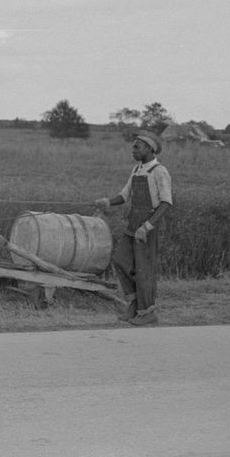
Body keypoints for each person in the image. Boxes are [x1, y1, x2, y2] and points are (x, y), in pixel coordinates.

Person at [95, 130, 173, 326]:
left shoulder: (160, 172)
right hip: (133, 224)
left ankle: (148, 312)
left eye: (137, 147)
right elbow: (124, 195)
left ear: (149, 148)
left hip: (148, 226)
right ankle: (134, 304)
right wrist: (107, 202)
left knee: (144, 270)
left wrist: (147, 226)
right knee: (121, 261)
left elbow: (165, 203)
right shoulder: (137, 169)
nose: (133, 150)